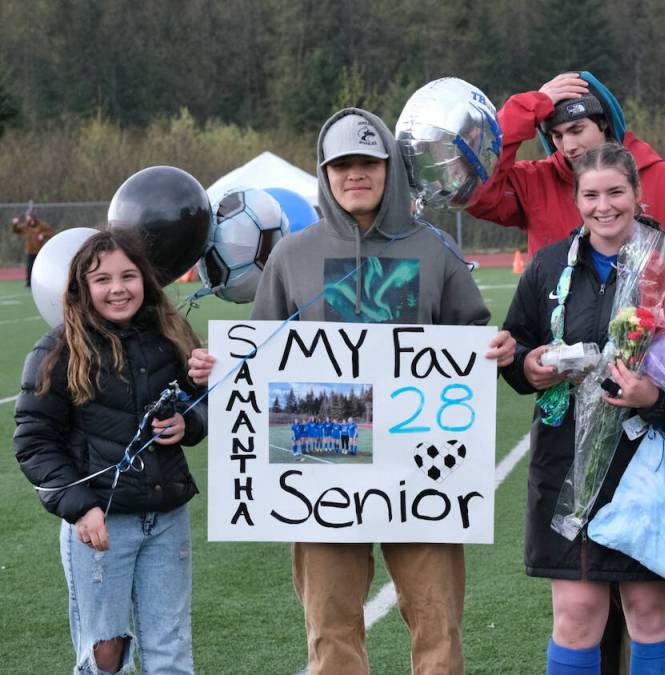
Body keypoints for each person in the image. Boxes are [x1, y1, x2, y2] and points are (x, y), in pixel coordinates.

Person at [187, 107, 515, 675]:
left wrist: (492, 352)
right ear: (325, 172)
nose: (354, 174)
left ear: (389, 168)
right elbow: (259, 359)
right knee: (331, 632)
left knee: (438, 628)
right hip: (322, 460)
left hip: (420, 470)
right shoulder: (292, 256)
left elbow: (470, 345)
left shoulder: (433, 250)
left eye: (367, 162)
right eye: (342, 164)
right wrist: (221, 369)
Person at [501, 143, 665, 675]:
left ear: (637, 194)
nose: (603, 206)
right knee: (578, 616)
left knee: (649, 611)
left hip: (646, 465)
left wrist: (654, 398)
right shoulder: (546, 267)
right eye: (591, 195)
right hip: (567, 467)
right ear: (575, 199)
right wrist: (528, 366)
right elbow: (517, 349)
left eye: (615, 192)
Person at [13, 229, 207, 674]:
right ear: (82, 287)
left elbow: (203, 406)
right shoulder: (57, 349)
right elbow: (34, 440)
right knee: (105, 654)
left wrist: (191, 416)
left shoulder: (171, 335)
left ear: (146, 280)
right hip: (99, 527)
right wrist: (81, 508)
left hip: (166, 519)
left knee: (171, 649)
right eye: (102, 279)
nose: (118, 288)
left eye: (129, 276)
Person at [468, 71, 665, 257]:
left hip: (646, 325)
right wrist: (527, 107)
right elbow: (475, 188)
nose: (568, 146)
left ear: (604, 122)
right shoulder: (534, 182)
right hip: (557, 325)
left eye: (577, 130)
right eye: (557, 135)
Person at [10, 209, 55, 286]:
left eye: (28, 216)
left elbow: (51, 232)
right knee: (29, 267)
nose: (27, 218)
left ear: (32, 217)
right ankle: (29, 283)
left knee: (40, 267)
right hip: (30, 250)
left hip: (39, 250)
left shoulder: (41, 225)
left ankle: (42, 282)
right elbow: (16, 230)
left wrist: (43, 234)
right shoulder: (26, 226)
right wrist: (15, 224)